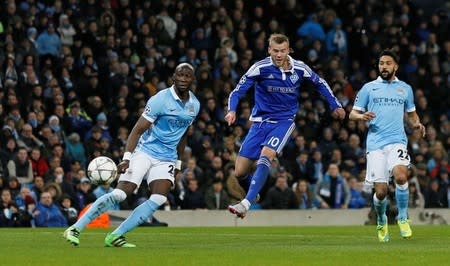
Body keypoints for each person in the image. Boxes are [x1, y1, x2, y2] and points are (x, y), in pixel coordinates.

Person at [63, 63, 200, 247]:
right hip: (145, 152)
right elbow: (136, 131)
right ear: (173, 78)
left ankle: (115, 236)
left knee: (159, 198)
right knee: (120, 194)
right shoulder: (160, 100)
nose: (183, 79)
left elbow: (183, 135)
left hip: (166, 158)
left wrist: (177, 164)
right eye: (180, 75)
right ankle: (75, 228)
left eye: (187, 76)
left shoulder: (194, 105)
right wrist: (127, 158)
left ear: (192, 79)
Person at [225, 33, 345, 218]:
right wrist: (232, 110)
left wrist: (335, 104)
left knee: (267, 154)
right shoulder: (260, 68)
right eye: (275, 51)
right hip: (259, 123)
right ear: (269, 50)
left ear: (288, 50)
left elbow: (320, 83)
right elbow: (237, 91)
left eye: (282, 51)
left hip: (284, 121)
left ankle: (246, 203)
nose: (279, 55)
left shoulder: (300, 68)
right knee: (239, 172)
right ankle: (252, 192)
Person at [349, 49, 426, 242]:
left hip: (397, 140)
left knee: (401, 176)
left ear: (395, 66)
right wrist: (361, 116)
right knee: (381, 192)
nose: (383, 66)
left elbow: (411, 114)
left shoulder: (405, 89)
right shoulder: (368, 88)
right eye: (381, 63)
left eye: (388, 63)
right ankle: (382, 219)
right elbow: (352, 113)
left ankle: (402, 217)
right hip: (375, 144)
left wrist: (416, 123)